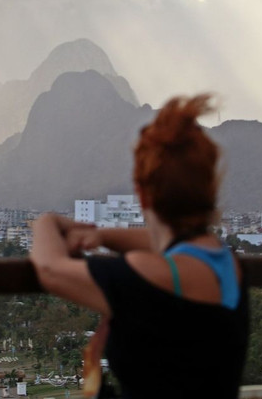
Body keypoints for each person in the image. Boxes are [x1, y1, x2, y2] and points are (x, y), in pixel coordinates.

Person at [30, 94, 248, 399]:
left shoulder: (146, 275)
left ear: (142, 195)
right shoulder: (227, 263)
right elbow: (169, 243)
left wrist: (47, 221)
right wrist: (102, 236)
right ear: (209, 192)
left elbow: (49, 269)